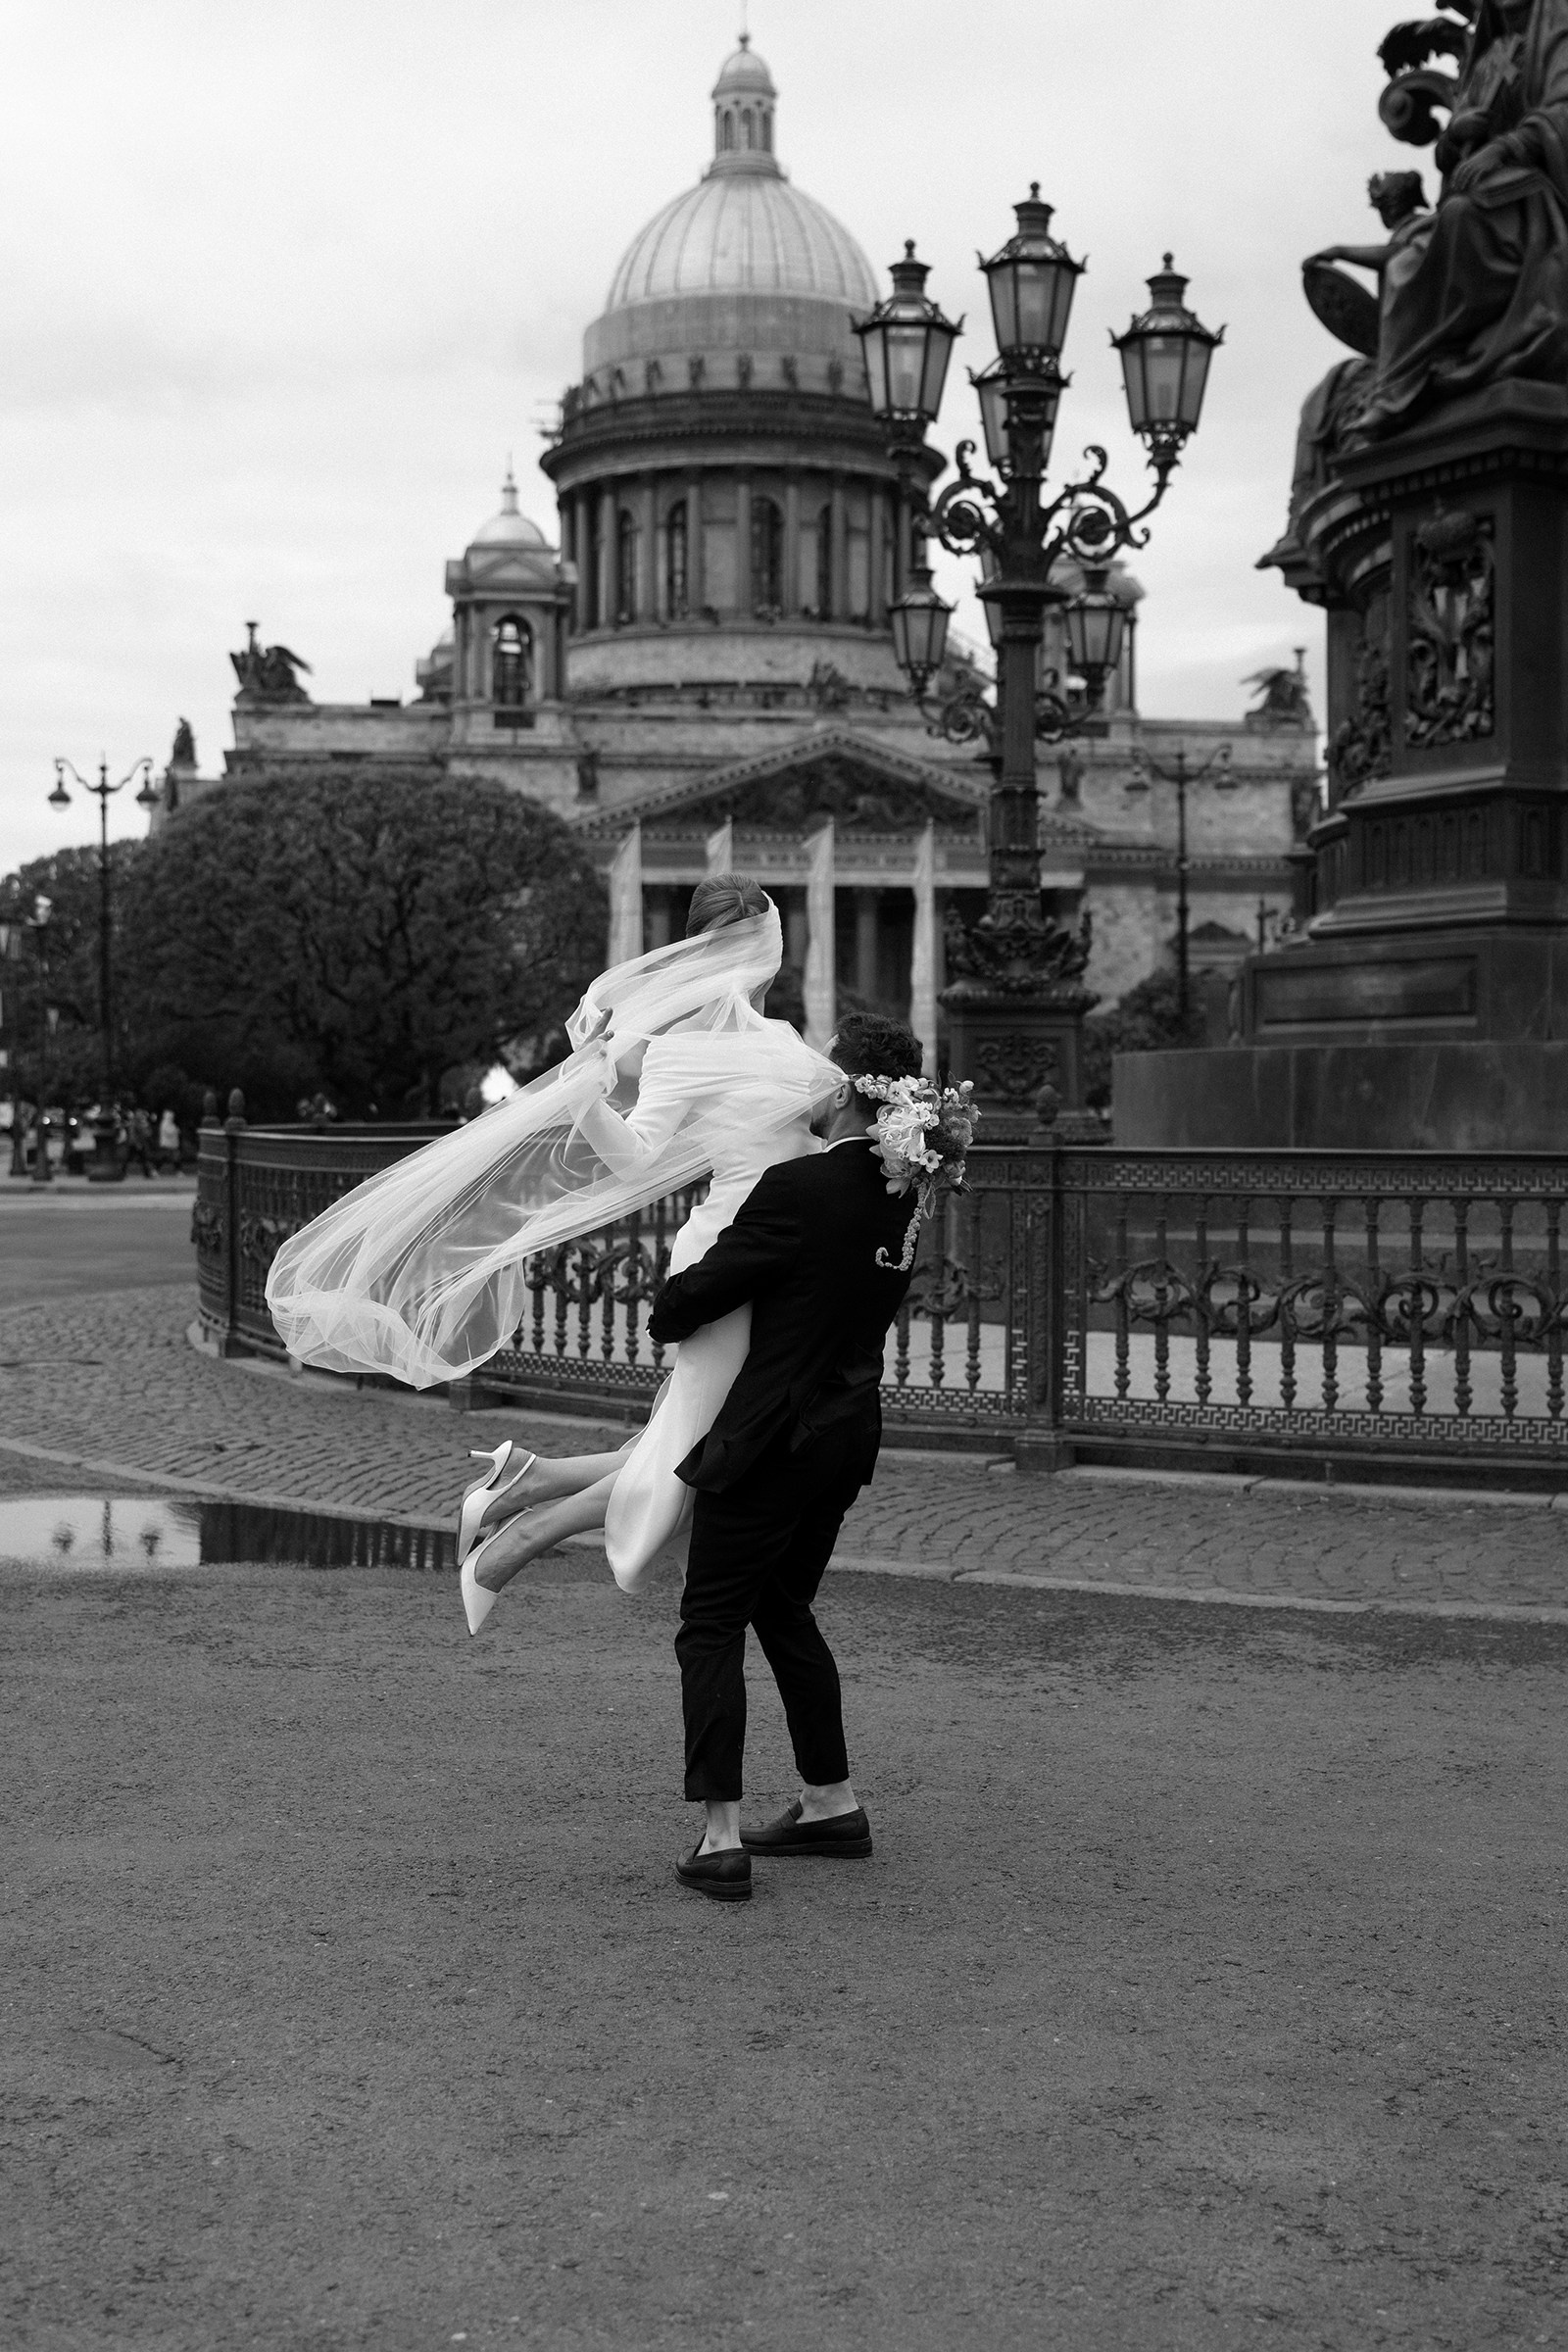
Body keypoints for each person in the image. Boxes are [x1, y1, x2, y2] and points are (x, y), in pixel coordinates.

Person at [454, 874, 839, 1613]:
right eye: (742, 938)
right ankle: (512, 1544)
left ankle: (527, 1482)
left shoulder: (790, 1042)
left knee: (716, 1431)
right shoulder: (678, 1051)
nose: (757, 952)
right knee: (699, 1446)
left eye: (758, 935)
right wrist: (585, 1091)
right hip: (724, 1260)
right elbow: (634, 1158)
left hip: (790, 1265)